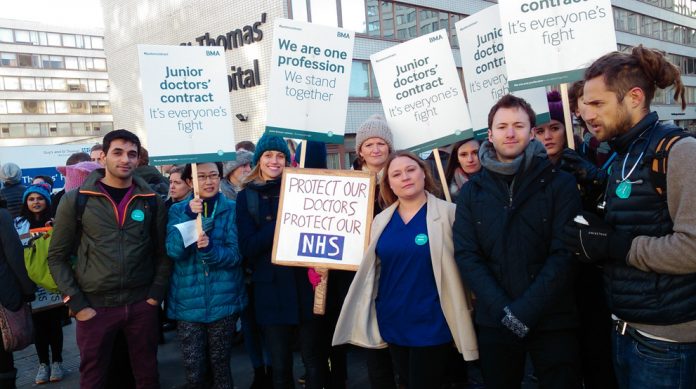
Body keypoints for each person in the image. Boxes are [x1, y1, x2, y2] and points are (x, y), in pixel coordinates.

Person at [562, 45, 696, 388]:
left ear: (634, 98)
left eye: (596, 104)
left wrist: (618, 246)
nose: (585, 114)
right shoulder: (622, 153)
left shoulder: (679, 152)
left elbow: (691, 248)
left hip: (666, 342)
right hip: (625, 329)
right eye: (583, 105)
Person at [454, 94, 582, 388]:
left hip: (552, 319)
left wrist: (524, 310)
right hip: (495, 320)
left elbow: (565, 253)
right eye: (502, 127)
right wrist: (505, 312)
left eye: (518, 125)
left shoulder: (559, 182)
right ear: (490, 134)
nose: (510, 133)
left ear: (530, 130)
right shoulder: (472, 192)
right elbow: (467, 254)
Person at [333, 151, 478, 389]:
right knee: (405, 382)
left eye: (411, 170)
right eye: (396, 174)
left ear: (423, 172)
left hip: (433, 320)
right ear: (389, 183)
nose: (405, 177)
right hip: (392, 319)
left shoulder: (450, 214)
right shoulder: (381, 221)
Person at [47, 129, 170, 388]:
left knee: (147, 376)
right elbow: (57, 257)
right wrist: (77, 303)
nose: (125, 159)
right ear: (103, 157)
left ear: (138, 160)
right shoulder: (75, 200)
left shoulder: (152, 201)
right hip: (95, 306)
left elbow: (162, 253)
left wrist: (154, 296)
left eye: (132, 154)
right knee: (94, 378)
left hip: (140, 305)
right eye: (118, 152)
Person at [235, 133, 318, 389]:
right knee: (280, 368)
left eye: (280, 156)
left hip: (305, 286)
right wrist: (283, 219)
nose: (274, 161)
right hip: (270, 291)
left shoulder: (303, 189)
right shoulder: (246, 197)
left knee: (314, 364)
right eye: (268, 155)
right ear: (259, 159)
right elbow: (248, 246)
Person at [166, 162, 246, 388]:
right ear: (190, 182)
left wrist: (211, 251)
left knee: (221, 366)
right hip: (188, 304)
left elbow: (236, 255)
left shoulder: (231, 208)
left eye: (213, 175)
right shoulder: (176, 210)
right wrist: (190, 218)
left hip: (224, 300)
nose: (209, 182)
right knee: (194, 368)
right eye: (201, 177)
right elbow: (173, 251)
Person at [13, 184, 64, 384]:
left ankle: (58, 361)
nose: (36, 202)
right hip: (31, 284)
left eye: (40, 198)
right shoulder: (18, 224)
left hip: (53, 282)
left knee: (55, 324)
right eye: (31, 199)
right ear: (26, 202)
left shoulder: (56, 221)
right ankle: (43, 364)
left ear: (47, 201)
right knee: (39, 327)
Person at [0, 204, 36, 389]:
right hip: (3, 294)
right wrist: (28, 289)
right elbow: (14, 255)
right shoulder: (2, 216)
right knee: (3, 353)